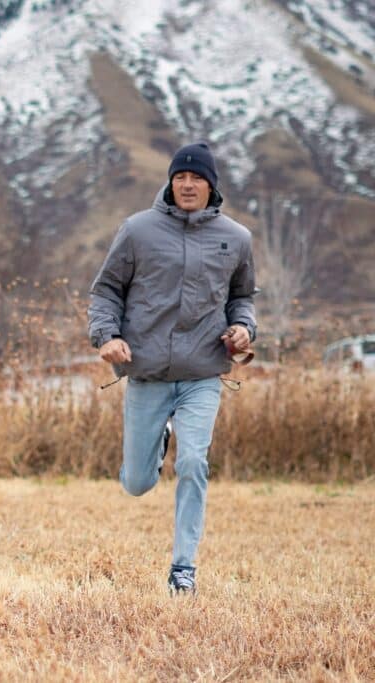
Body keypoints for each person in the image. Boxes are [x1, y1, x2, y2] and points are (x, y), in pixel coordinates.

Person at [87, 142, 256, 595]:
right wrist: (108, 336)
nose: (187, 184)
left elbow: (242, 298)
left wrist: (243, 328)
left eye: (196, 178)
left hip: (203, 371)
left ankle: (184, 567)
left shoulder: (236, 238)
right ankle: (156, 441)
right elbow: (105, 292)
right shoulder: (138, 231)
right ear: (170, 181)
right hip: (147, 372)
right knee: (138, 483)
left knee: (194, 461)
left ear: (211, 185)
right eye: (180, 177)